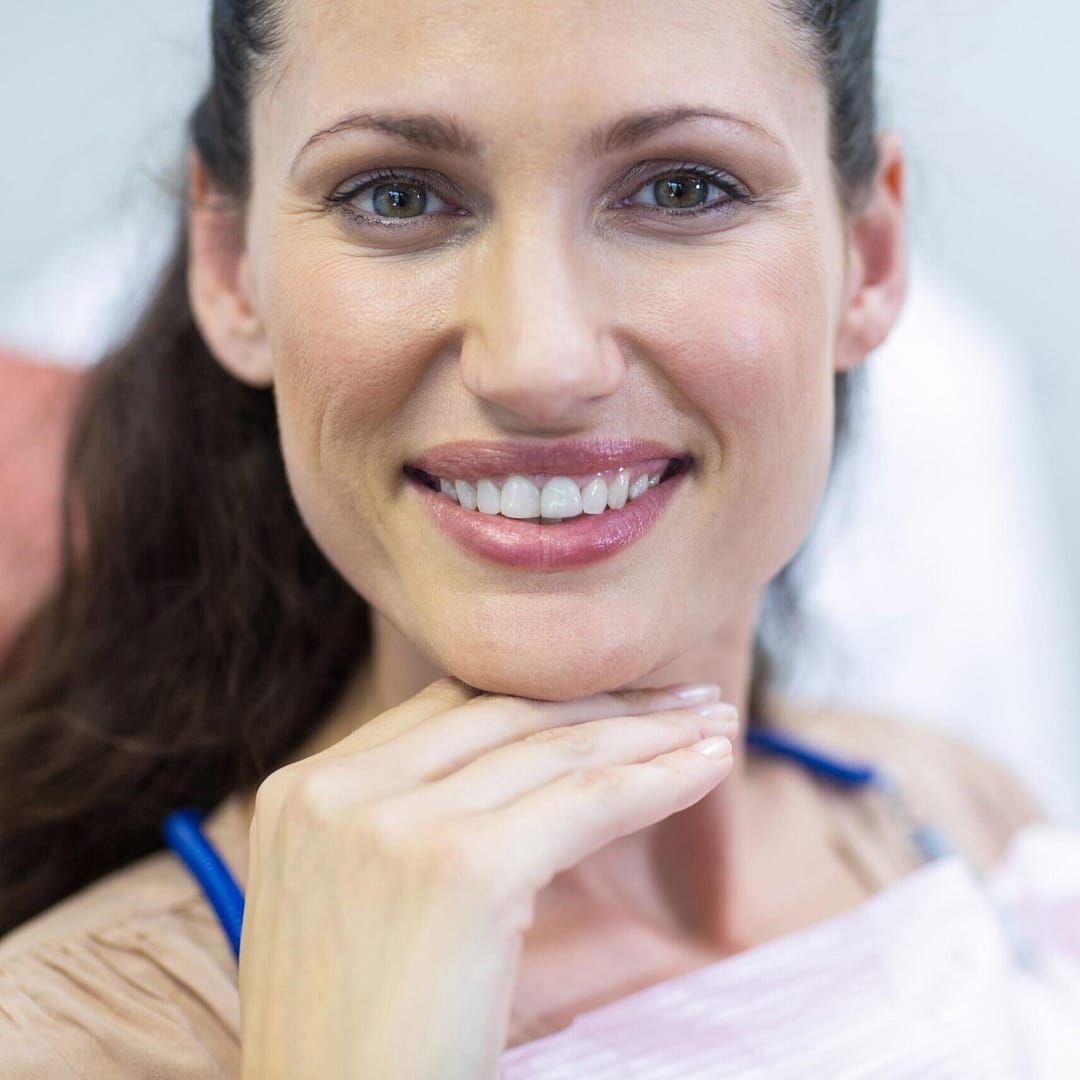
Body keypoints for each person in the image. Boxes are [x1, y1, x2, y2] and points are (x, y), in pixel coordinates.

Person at [0, 0, 1051, 1076]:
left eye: (681, 188)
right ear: (229, 266)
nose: (538, 362)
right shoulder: (66, 1039)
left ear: (869, 258)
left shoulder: (953, 812)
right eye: (396, 195)